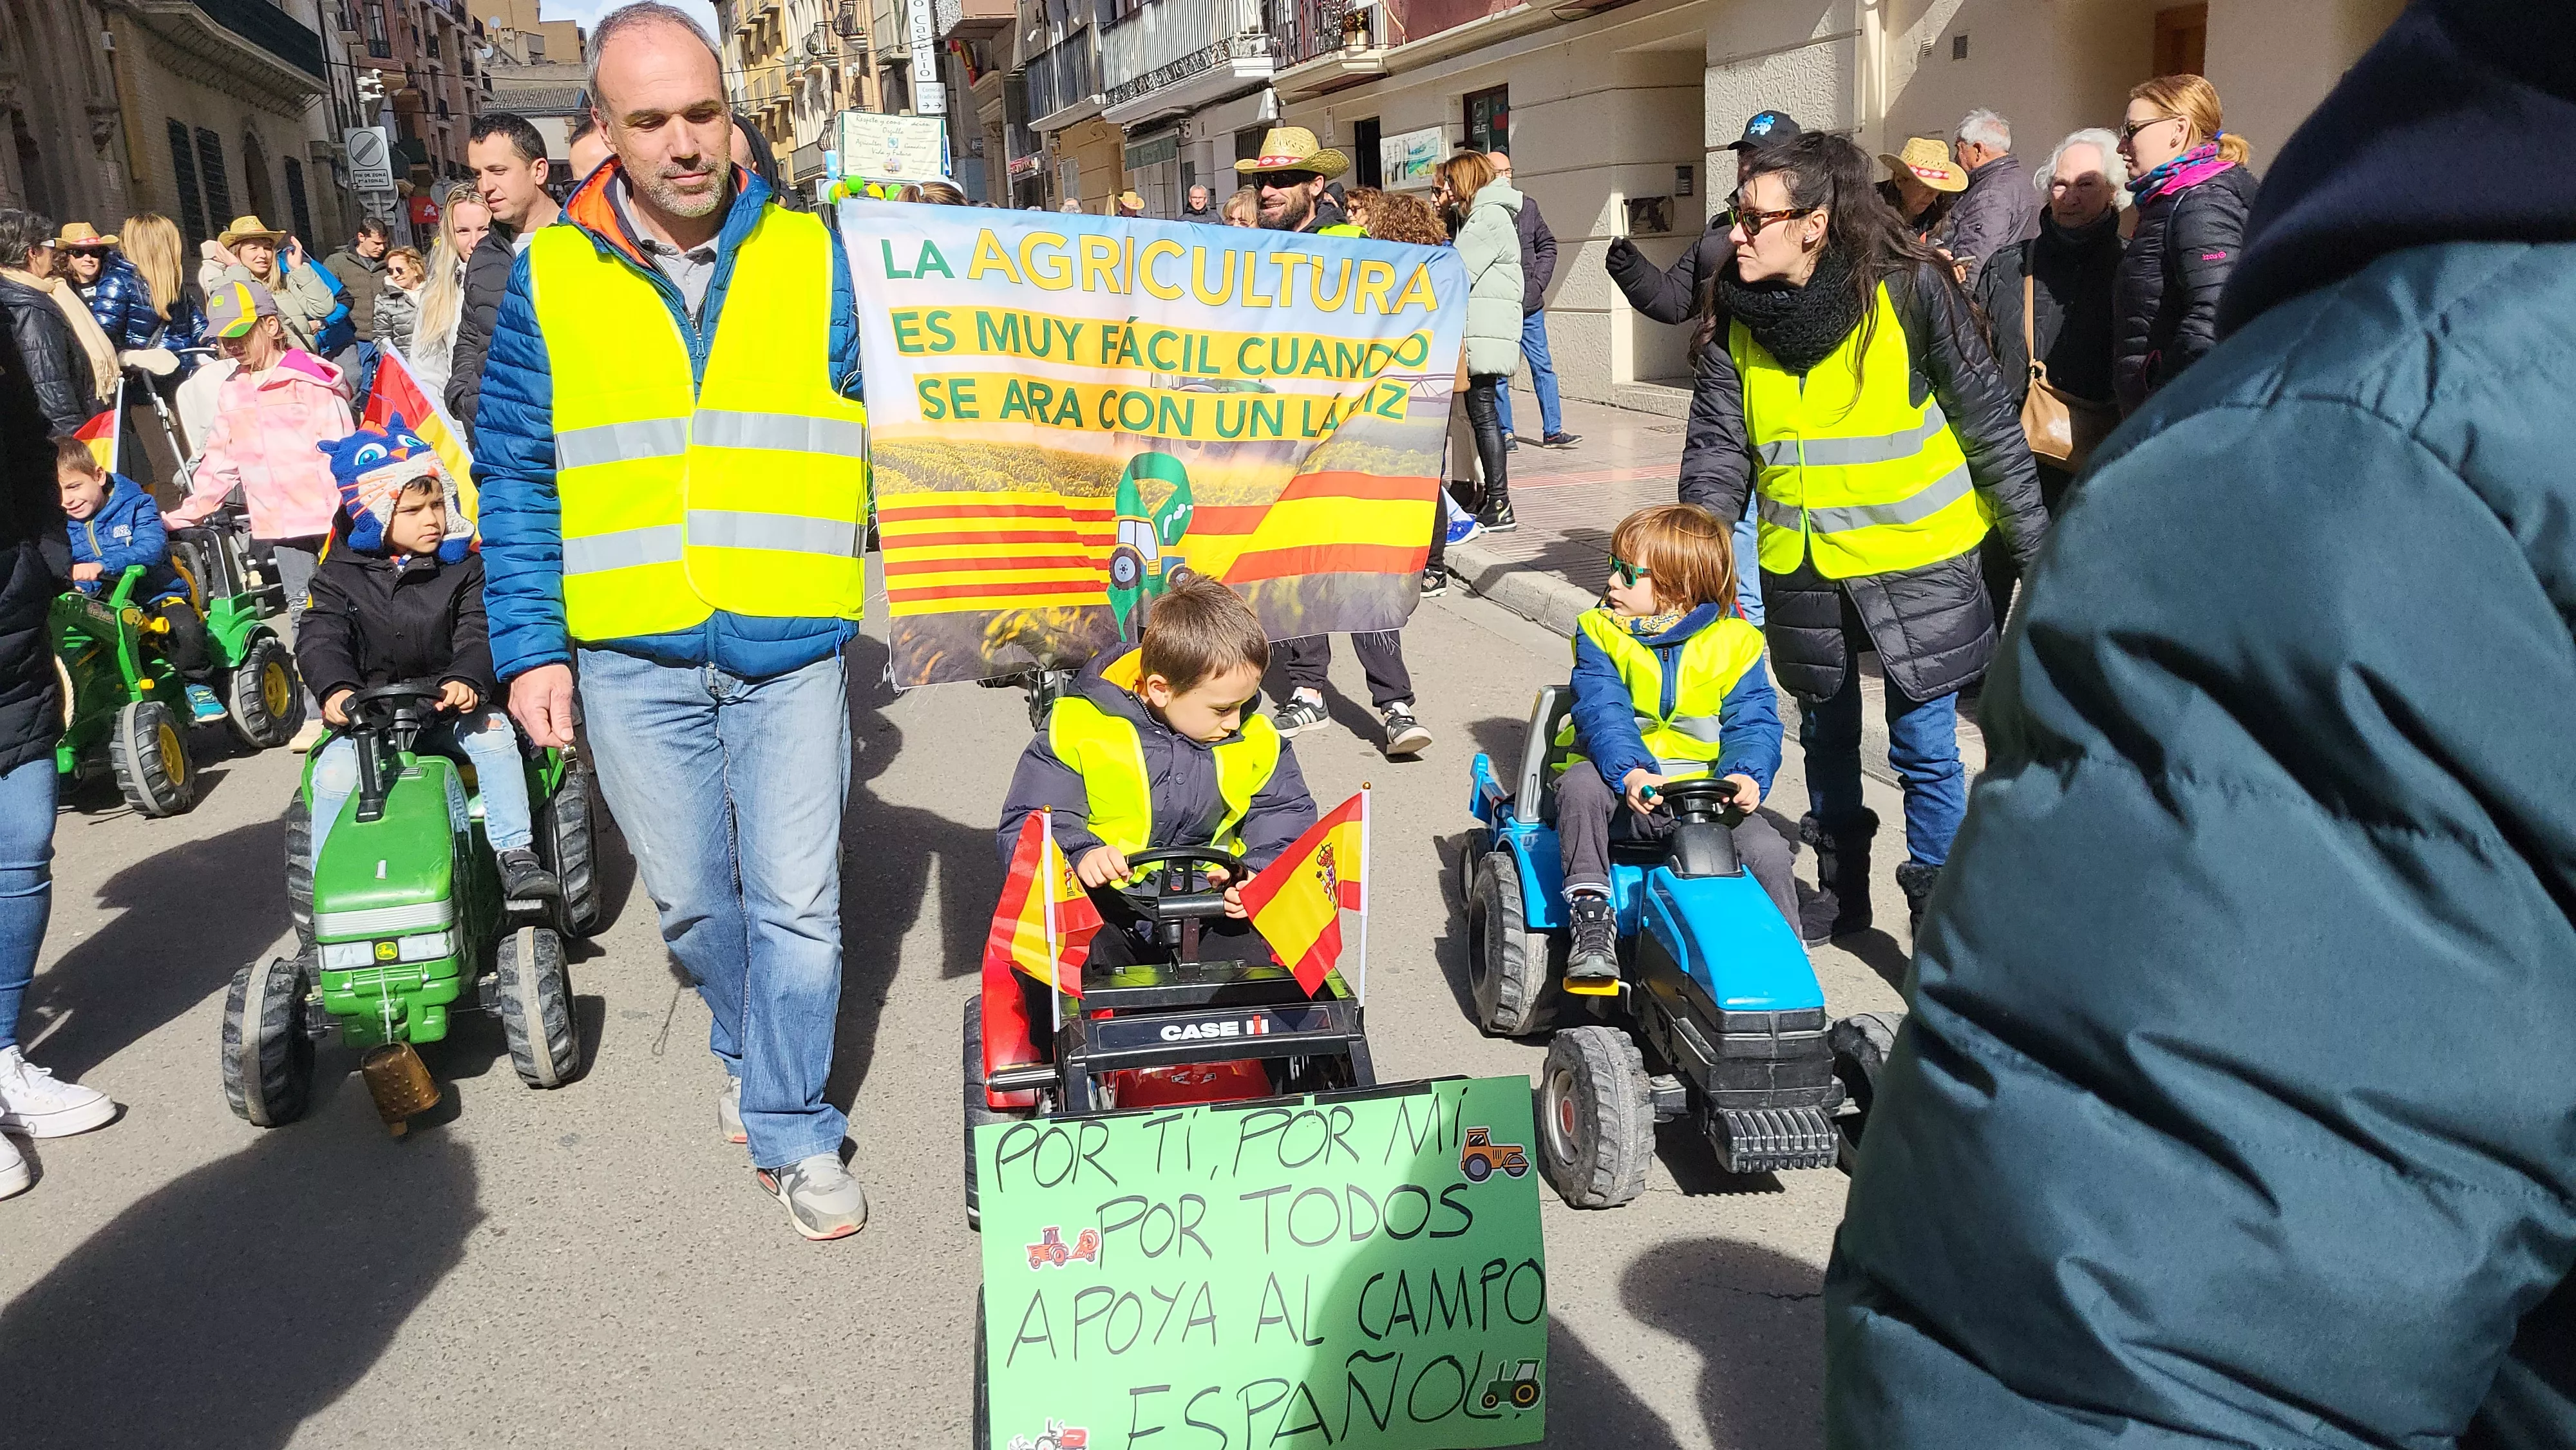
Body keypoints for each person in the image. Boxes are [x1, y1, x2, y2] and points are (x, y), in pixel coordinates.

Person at [1827, 3, 2576, 1440]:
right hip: (1861, 562)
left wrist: (2055, 497)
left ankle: (1911, 894)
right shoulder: (2370, 459)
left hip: (1994, 532)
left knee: (1923, 744)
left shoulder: (2353, 449)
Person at [475, 1, 871, 1242]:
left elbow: (910, 430)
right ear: (604, 132)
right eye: (650, 120)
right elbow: (518, 472)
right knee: (699, 904)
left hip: (791, 644)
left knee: (799, 899)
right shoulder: (548, 275)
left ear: (732, 114)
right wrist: (531, 647)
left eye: (703, 111)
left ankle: (794, 1123)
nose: (684, 142)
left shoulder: (827, 258)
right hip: (630, 655)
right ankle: (751, 1050)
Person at [1681, 132, 2046, 940]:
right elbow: (1716, 447)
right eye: (1734, 215)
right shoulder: (1735, 310)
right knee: (1824, 733)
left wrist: (2037, 553)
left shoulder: (1912, 290)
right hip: (1801, 562)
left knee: (1924, 747)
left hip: (1918, 559)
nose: (1735, 232)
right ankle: (1843, 895)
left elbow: (1987, 423)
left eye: (1752, 216)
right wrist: (1695, 554)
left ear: (1814, 222)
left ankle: (1939, 923)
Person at [998, 576, 1316, 970]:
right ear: (1161, 689)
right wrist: (1080, 853)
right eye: (1221, 709)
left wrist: (1256, 873)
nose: (1236, 722)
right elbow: (1032, 822)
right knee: (1068, 965)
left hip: (1211, 900)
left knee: (1264, 972)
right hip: (1107, 900)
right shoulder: (1079, 726)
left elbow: (1283, 816)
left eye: (1245, 703)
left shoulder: (1257, 739)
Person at [1236, 126, 1431, 757]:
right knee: (1293, 568)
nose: (1267, 191)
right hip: (1278, 435)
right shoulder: (1251, 252)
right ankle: (1306, 694)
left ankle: (1395, 704)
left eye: (1281, 180)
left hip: (1348, 436)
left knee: (1358, 567)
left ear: (1315, 186)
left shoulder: (1351, 246)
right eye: (1261, 180)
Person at [298, 431, 553, 898]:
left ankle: (516, 855)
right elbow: (322, 638)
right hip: (368, 720)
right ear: (372, 514)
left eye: (437, 504)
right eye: (413, 511)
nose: (432, 519)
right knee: (331, 774)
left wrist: (467, 678)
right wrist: (335, 689)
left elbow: (479, 629)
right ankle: (328, 887)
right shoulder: (338, 576)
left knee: (494, 734)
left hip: (449, 710)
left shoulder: (465, 570)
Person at [1557, 504, 1793, 981]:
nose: (1612, 583)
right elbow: (1603, 712)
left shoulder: (1737, 642)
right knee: (1579, 786)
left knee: (1768, 849)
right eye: (1613, 567)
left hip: (1703, 799)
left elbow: (1755, 722)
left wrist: (1747, 774)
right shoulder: (1599, 632)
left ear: (1678, 587)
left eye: (1628, 573)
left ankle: (1784, 959)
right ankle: (1590, 916)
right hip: (1623, 788)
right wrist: (1631, 772)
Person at [0, 261, 111, 1203]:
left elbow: (53, 430)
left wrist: (44, 559)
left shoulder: (17, 312)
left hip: (10, 633)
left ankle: (2, 1059)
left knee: (25, 846)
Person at [165, 280, 352, 748]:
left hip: (332, 518)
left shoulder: (310, 380)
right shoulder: (234, 391)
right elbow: (220, 457)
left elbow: (342, 447)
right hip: (281, 523)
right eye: (223, 337)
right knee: (303, 613)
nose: (231, 346)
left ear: (271, 326)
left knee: (349, 604)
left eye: (240, 333)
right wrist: (193, 509)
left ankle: (360, 692)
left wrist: (350, 508)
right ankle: (320, 709)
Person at [1973, 126, 2126, 525]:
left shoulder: (2133, 268)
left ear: (2114, 191)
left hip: (2098, 463)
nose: (2069, 196)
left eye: (2085, 184)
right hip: (2008, 459)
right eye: (2059, 184)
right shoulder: (2008, 265)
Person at [2114, 73, 2258, 415]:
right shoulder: (2169, 201)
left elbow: (2216, 313)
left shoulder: (2202, 202)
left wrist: (2164, 410)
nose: (2121, 146)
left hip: (2172, 421)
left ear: (2178, 129)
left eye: (2131, 130)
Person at [57, 436, 220, 720]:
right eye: (57, 493)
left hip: (155, 595)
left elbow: (152, 547)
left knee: (183, 627)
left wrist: (102, 565)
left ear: (98, 475)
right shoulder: (61, 525)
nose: (66, 500)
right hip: (101, 603)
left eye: (73, 487)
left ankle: (198, 684)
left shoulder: (137, 504)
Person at [446, 113, 560, 433]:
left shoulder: (587, 243)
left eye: (498, 171)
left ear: (538, 171)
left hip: (571, 440)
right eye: (478, 174)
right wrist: (465, 399)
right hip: (497, 444)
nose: (486, 187)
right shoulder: (484, 255)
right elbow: (471, 336)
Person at [1439, 150, 1522, 532]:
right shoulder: (1484, 215)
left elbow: (1458, 268)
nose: (1449, 190)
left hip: (1484, 331)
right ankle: (1495, 498)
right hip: (1485, 327)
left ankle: (1500, 501)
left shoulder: (1487, 218)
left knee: (1485, 415)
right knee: (1483, 414)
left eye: (1453, 182)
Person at [1485, 151, 1578, 451]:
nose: (1507, 177)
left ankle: (1553, 431)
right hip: (1498, 306)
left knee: (1543, 367)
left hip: (1529, 306)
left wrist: (1537, 284)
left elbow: (1548, 244)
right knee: (1498, 373)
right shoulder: (1483, 210)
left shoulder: (1528, 207)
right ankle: (1505, 433)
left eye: (1509, 171)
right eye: (1501, 172)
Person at [0, 212, 107, 437]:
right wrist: (78, 446)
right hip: (61, 440)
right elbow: (50, 387)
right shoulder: (30, 308)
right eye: (49, 245)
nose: (54, 252)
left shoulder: (22, 293)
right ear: (32, 253)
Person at [201, 216, 343, 359]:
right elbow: (240, 309)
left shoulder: (284, 281)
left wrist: (300, 270)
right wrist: (236, 268)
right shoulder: (222, 285)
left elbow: (325, 308)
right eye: (254, 248)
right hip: (259, 371)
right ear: (236, 252)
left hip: (300, 365)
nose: (263, 255)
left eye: (267, 248)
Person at [407, 183, 488, 400]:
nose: (474, 242)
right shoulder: (437, 296)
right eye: (463, 231)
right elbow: (428, 376)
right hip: (465, 429)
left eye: (484, 229)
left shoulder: (520, 280)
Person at [1942, 109, 2039, 286]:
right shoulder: (2020, 180)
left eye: (1960, 149)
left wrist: (1961, 306)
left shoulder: (1990, 194)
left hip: (1985, 303)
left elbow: (1974, 265)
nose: (1956, 158)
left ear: (1978, 150)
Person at [1875, 137, 1965, 249]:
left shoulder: (1939, 214)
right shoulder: (1871, 210)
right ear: (1899, 180)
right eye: (1923, 186)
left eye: (1938, 188)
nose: (1932, 194)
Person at [319, 218, 392, 348]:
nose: (381, 248)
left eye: (384, 243)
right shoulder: (337, 262)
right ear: (361, 237)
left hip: (388, 337)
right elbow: (325, 298)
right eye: (376, 243)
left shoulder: (392, 261)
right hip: (352, 340)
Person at [375, 246, 425, 355]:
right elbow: (381, 338)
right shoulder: (385, 299)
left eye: (399, 270)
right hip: (408, 364)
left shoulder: (434, 292)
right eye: (390, 271)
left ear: (415, 270)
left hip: (442, 361)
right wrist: (398, 359)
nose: (395, 275)